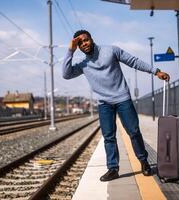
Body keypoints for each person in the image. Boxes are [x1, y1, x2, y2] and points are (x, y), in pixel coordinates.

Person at [63, 30, 170, 182]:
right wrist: (70, 50)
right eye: (79, 43)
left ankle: (144, 162)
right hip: (104, 103)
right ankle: (113, 169)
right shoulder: (83, 64)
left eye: (85, 40)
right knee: (109, 137)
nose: (84, 44)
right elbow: (66, 74)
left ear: (91, 39)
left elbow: (134, 61)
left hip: (122, 98)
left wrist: (156, 71)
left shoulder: (111, 50)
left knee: (133, 131)